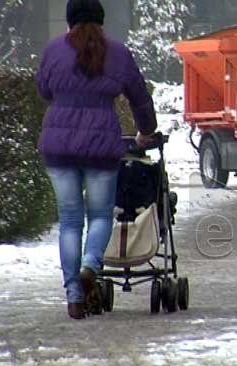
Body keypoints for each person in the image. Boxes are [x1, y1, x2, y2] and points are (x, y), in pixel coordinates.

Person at [36, 0, 157, 319]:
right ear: (101, 21)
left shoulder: (53, 50)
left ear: (70, 20)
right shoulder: (118, 53)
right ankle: (91, 264)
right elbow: (139, 96)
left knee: (70, 221)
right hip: (101, 146)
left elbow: (44, 90)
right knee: (101, 215)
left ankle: (74, 295)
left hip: (59, 146)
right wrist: (147, 130)